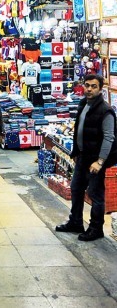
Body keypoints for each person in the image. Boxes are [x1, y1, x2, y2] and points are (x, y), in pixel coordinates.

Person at [55, 74, 117, 241]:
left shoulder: (106, 111)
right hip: (82, 157)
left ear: (100, 89)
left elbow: (109, 138)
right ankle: (75, 222)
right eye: (87, 85)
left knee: (95, 194)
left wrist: (100, 161)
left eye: (93, 86)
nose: (89, 89)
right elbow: (78, 131)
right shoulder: (83, 104)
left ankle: (96, 228)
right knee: (76, 188)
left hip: (96, 161)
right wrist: (75, 152)